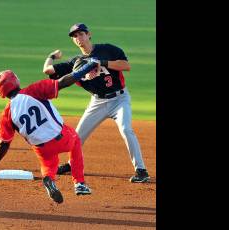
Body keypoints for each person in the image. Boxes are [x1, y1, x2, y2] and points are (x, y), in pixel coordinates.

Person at [42, 23, 150, 183]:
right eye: (74, 36)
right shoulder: (75, 62)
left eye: (81, 34)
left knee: (127, 129)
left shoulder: (107, 49)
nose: (78, 38)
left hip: (120, 99)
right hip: (97, 102)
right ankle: (72, 164)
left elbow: (126, 66)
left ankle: (141, 171)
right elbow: (48, 71)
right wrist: (52, 55)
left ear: (89, 34)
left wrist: (102, 63)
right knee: (77, 137)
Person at [0, 60, 98, 203]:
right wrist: (88, 66)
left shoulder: (7, 113)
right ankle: (79, 183)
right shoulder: (33, 90)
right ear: (16, 81)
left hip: (41, 148)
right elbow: (64, 82)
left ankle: (49, 179)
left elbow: (4, 143)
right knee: (76, 140)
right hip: (60, 138)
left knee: (48, 164)